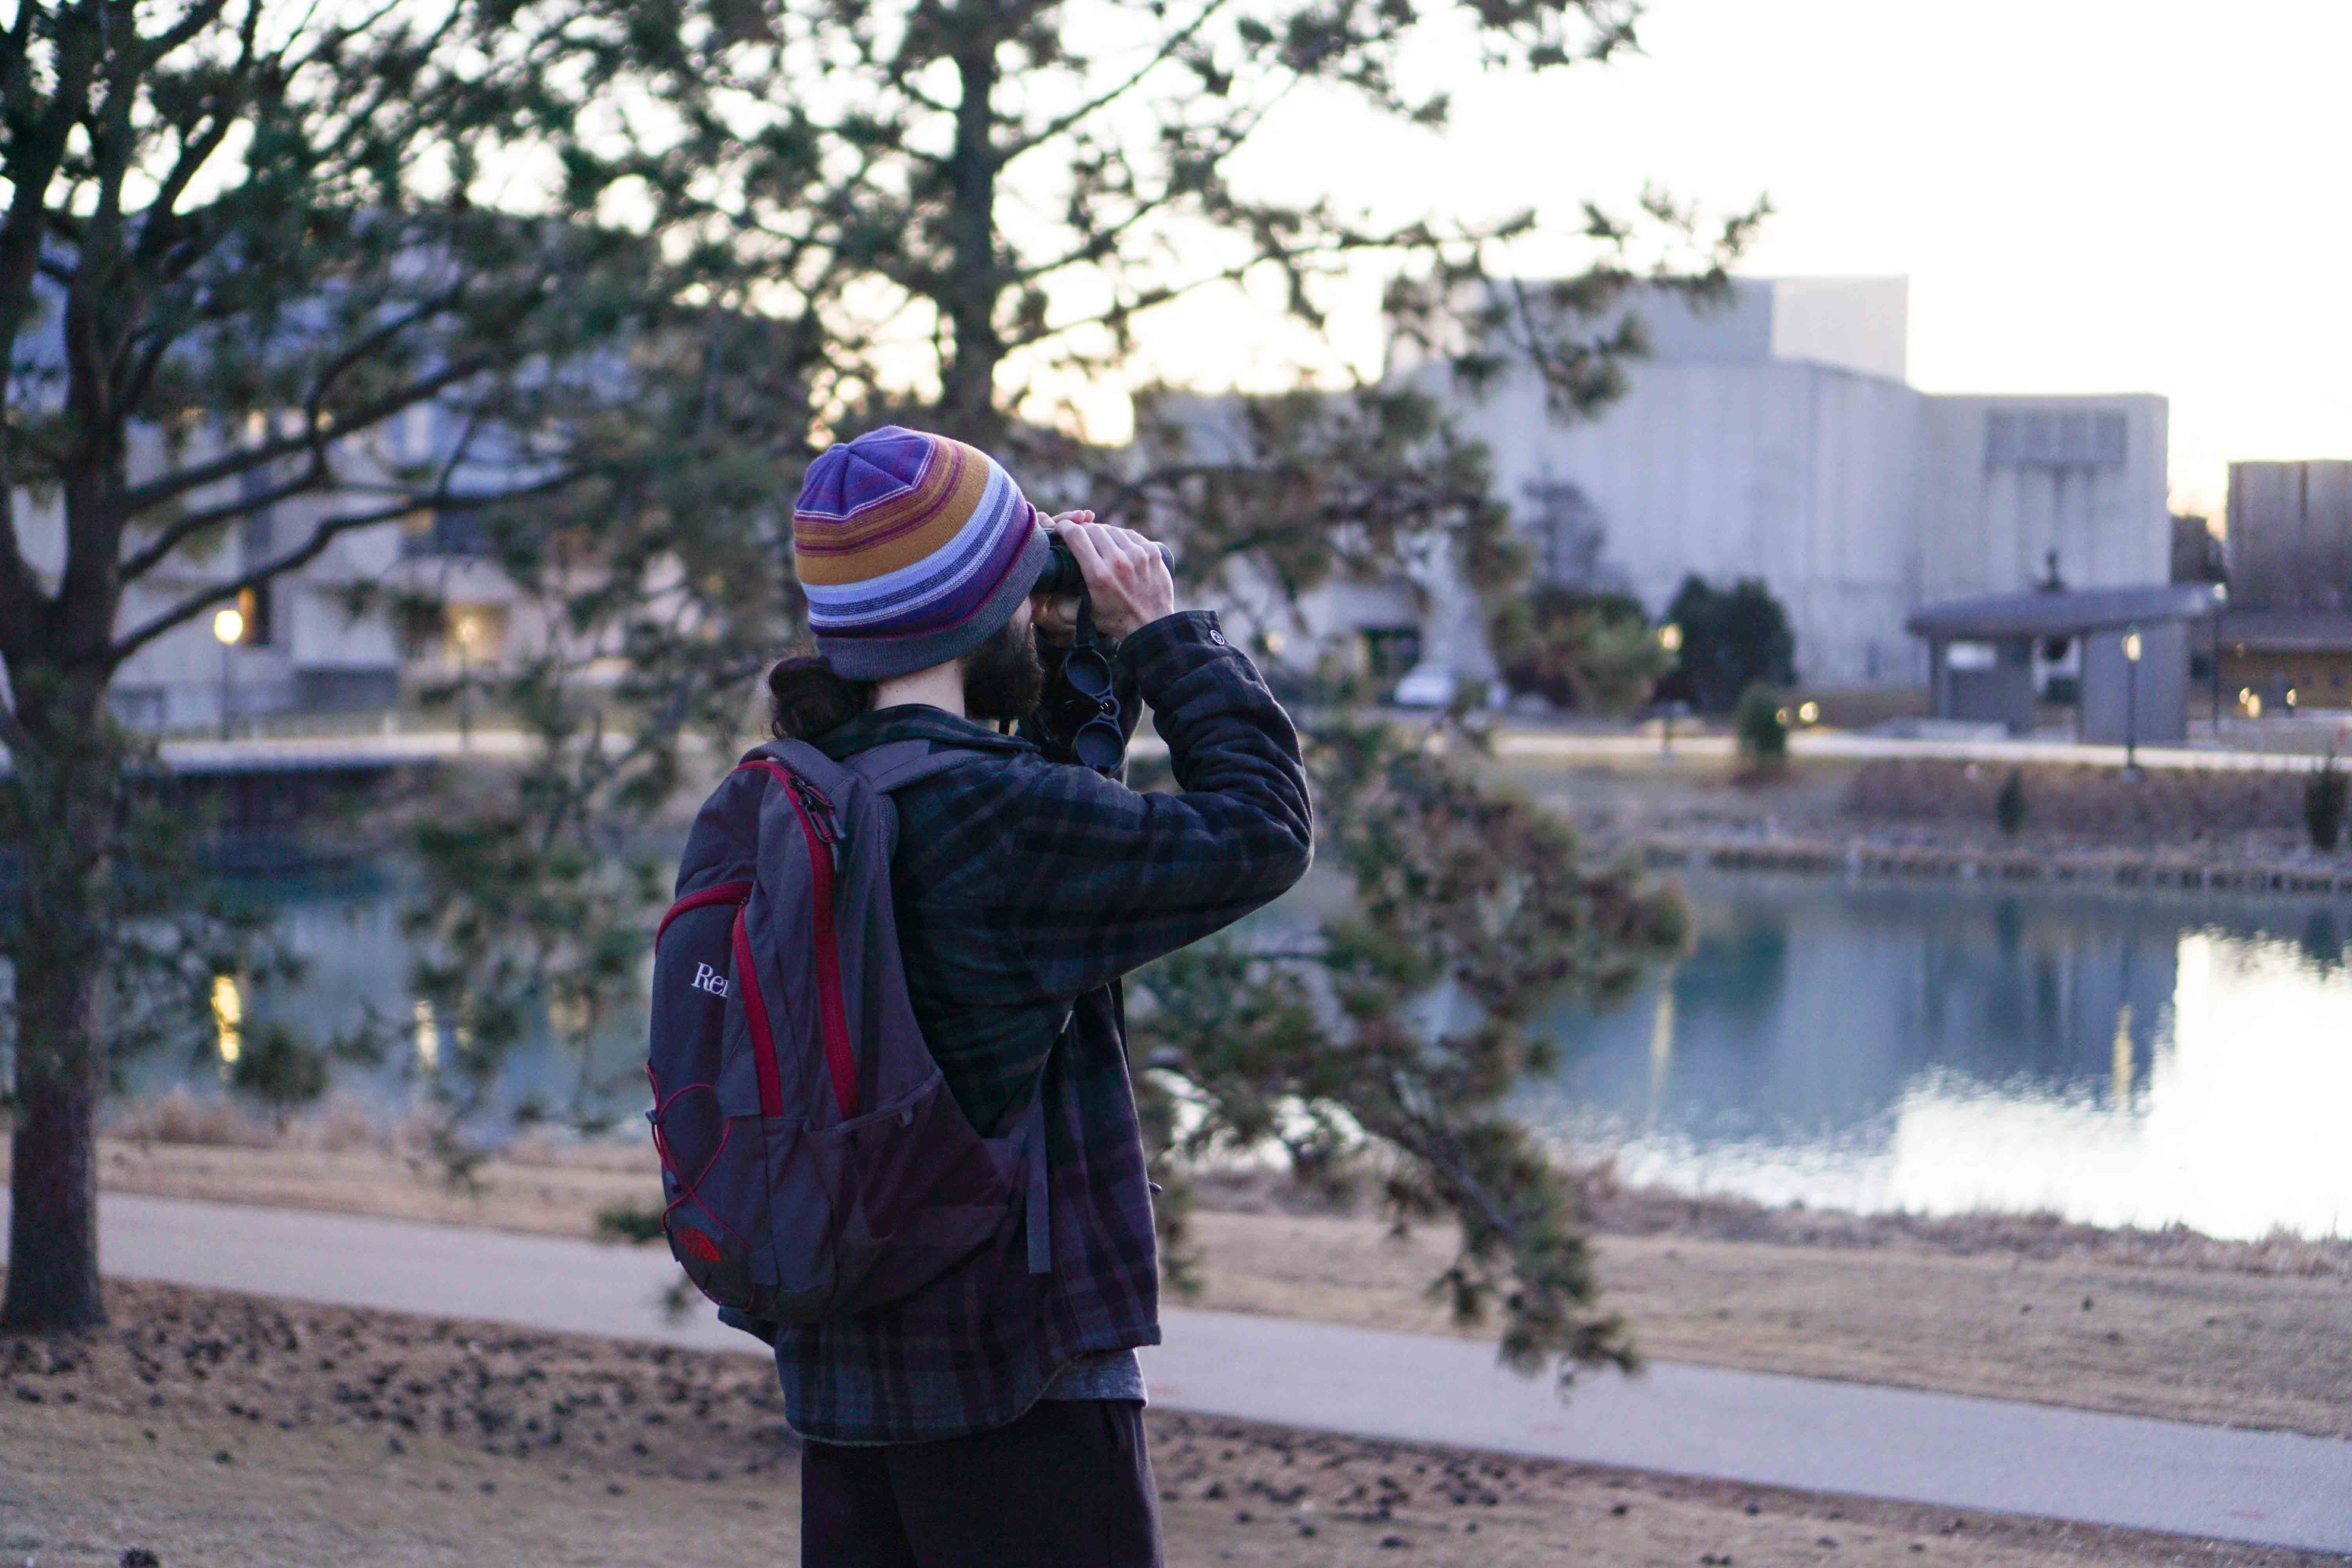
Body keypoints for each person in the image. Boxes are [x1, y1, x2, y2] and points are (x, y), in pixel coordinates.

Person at [769, 425, 1314, 1566]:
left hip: (848, 1366)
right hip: (1013, 1381)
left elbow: (1051, 834)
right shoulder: (997, 817)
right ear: (986, 613)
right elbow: (1263, 829)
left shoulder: (813, 791)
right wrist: (1166, 637)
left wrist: (1075, 662)